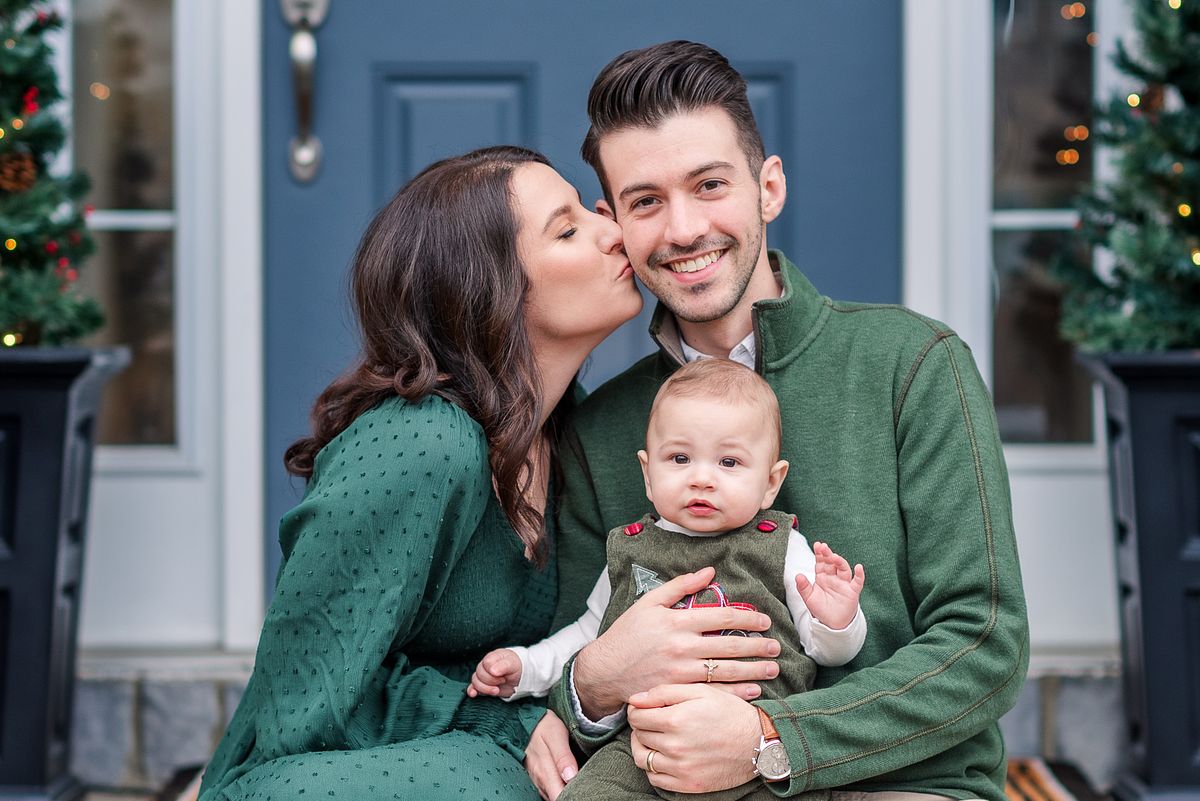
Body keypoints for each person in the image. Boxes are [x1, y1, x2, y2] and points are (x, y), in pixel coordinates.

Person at [523, 41, 1030, 801]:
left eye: (710, 184)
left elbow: (985, 642)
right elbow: (575, 672)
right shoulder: (604, 430)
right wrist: (587, 694)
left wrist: (773, 741)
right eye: (647, 201)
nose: (685, 228)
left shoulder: (913, 364)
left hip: (905, 785)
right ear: (615, 223)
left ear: (769, 187)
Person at [196, 145, 644, 801]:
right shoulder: (417, 443)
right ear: (490, 289)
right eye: (569, 228)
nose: (614, 229)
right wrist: (501, 719)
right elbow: (299, 707)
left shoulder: (562, 430)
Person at [470, 358, 867, 800]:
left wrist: (837, 620)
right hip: (644, 748)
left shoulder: (781, 545)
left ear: (771, 483)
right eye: (679, 458)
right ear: (647, 473)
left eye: (729, 462)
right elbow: (590, 637)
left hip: (754, 747)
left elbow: (827, 651)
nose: (701, 478)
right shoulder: (631, 547)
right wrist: (526, 668)